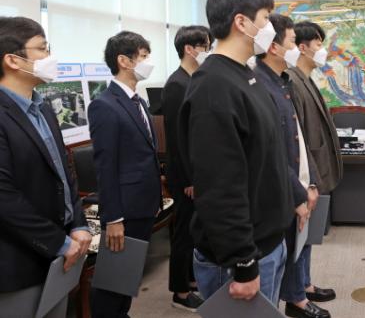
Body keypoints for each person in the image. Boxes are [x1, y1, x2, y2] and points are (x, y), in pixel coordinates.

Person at [178, 0, 293, 305]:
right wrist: (243, 262)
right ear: (241, 22)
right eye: (265, 18)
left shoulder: (245, 74)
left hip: (267, 242)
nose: (270, 26)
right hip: (239, 258)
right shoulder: (213, 86)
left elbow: (265, 155)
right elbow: (220, 186)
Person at [0, 16, 91, 311]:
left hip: (60, 251)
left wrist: (78, 224)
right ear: (12, 60)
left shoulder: (43, 108)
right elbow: (4, 197)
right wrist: (59, 243)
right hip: (18, 263)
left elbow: (64, 172)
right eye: (42, 48)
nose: (50, 57)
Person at [253, 14, 330, 318]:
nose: (297, 48)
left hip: (296, 182)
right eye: (292, 42)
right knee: (273, 268)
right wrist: (297, 193)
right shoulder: (259, 86)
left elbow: (296, 138)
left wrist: (309, 183)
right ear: (274, 47)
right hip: (279, 190)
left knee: (293, 248)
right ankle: (294, 298)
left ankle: (297, 294)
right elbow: (269, 151)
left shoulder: (282, 81)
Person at [88, 31, 162, 318]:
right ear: (124, 61)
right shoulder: (105, 105)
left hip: (144, 205)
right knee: (113, 280)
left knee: (128, 276)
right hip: (124, 210)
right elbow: (106, 167)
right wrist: (113, 218)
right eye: (143, 56)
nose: (147, 62)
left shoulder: (138, 101)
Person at [287, 21, 340, 303]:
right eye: (319, 44)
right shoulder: (293, 81)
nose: (323, 50)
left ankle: (305, 285)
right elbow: (297, 138)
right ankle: (298, 297)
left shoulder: (305, 78)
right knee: (300, 235)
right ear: (302, 47)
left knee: (307, 236)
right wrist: (308, 182)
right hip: (305, 173)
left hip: (314, 171)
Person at [162, 25, 211, 311]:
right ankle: (180, 292)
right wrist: (190, 179)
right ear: (189, 49)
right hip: (185, 176)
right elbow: (178, 139)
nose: (209, 51)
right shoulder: (176, 84)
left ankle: (192, 281)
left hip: (197, 171)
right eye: (205, 46)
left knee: (195, 231)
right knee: (183, 233)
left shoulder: (194, 79)